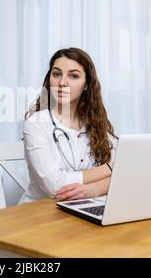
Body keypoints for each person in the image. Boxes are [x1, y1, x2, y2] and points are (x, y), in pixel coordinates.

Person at [21, 47, 118, 203]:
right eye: (56, 74)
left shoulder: (96, 124)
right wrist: (109, 168)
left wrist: (94, 189)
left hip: (81, 207)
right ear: (49, 79)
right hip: (39, 214)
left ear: (87, 85)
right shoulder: (36, 124)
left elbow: (124, 173)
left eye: (73, 76)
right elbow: (55, 186)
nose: (62, 82)